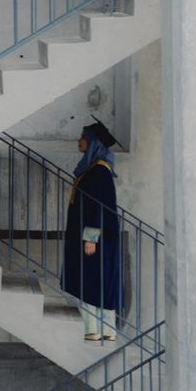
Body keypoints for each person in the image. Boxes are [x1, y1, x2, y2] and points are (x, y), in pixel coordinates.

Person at [62, 118, 122, 340]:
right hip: (96, 237)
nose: (79, 141)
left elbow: (99, 207)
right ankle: (100, 330)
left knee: (94, 281)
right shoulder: (93, 170)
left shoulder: (99, 172)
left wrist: (90, 238)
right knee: (95, 281)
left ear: (93, 143)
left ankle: (97, 330)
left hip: (97, 239)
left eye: (83, 138)